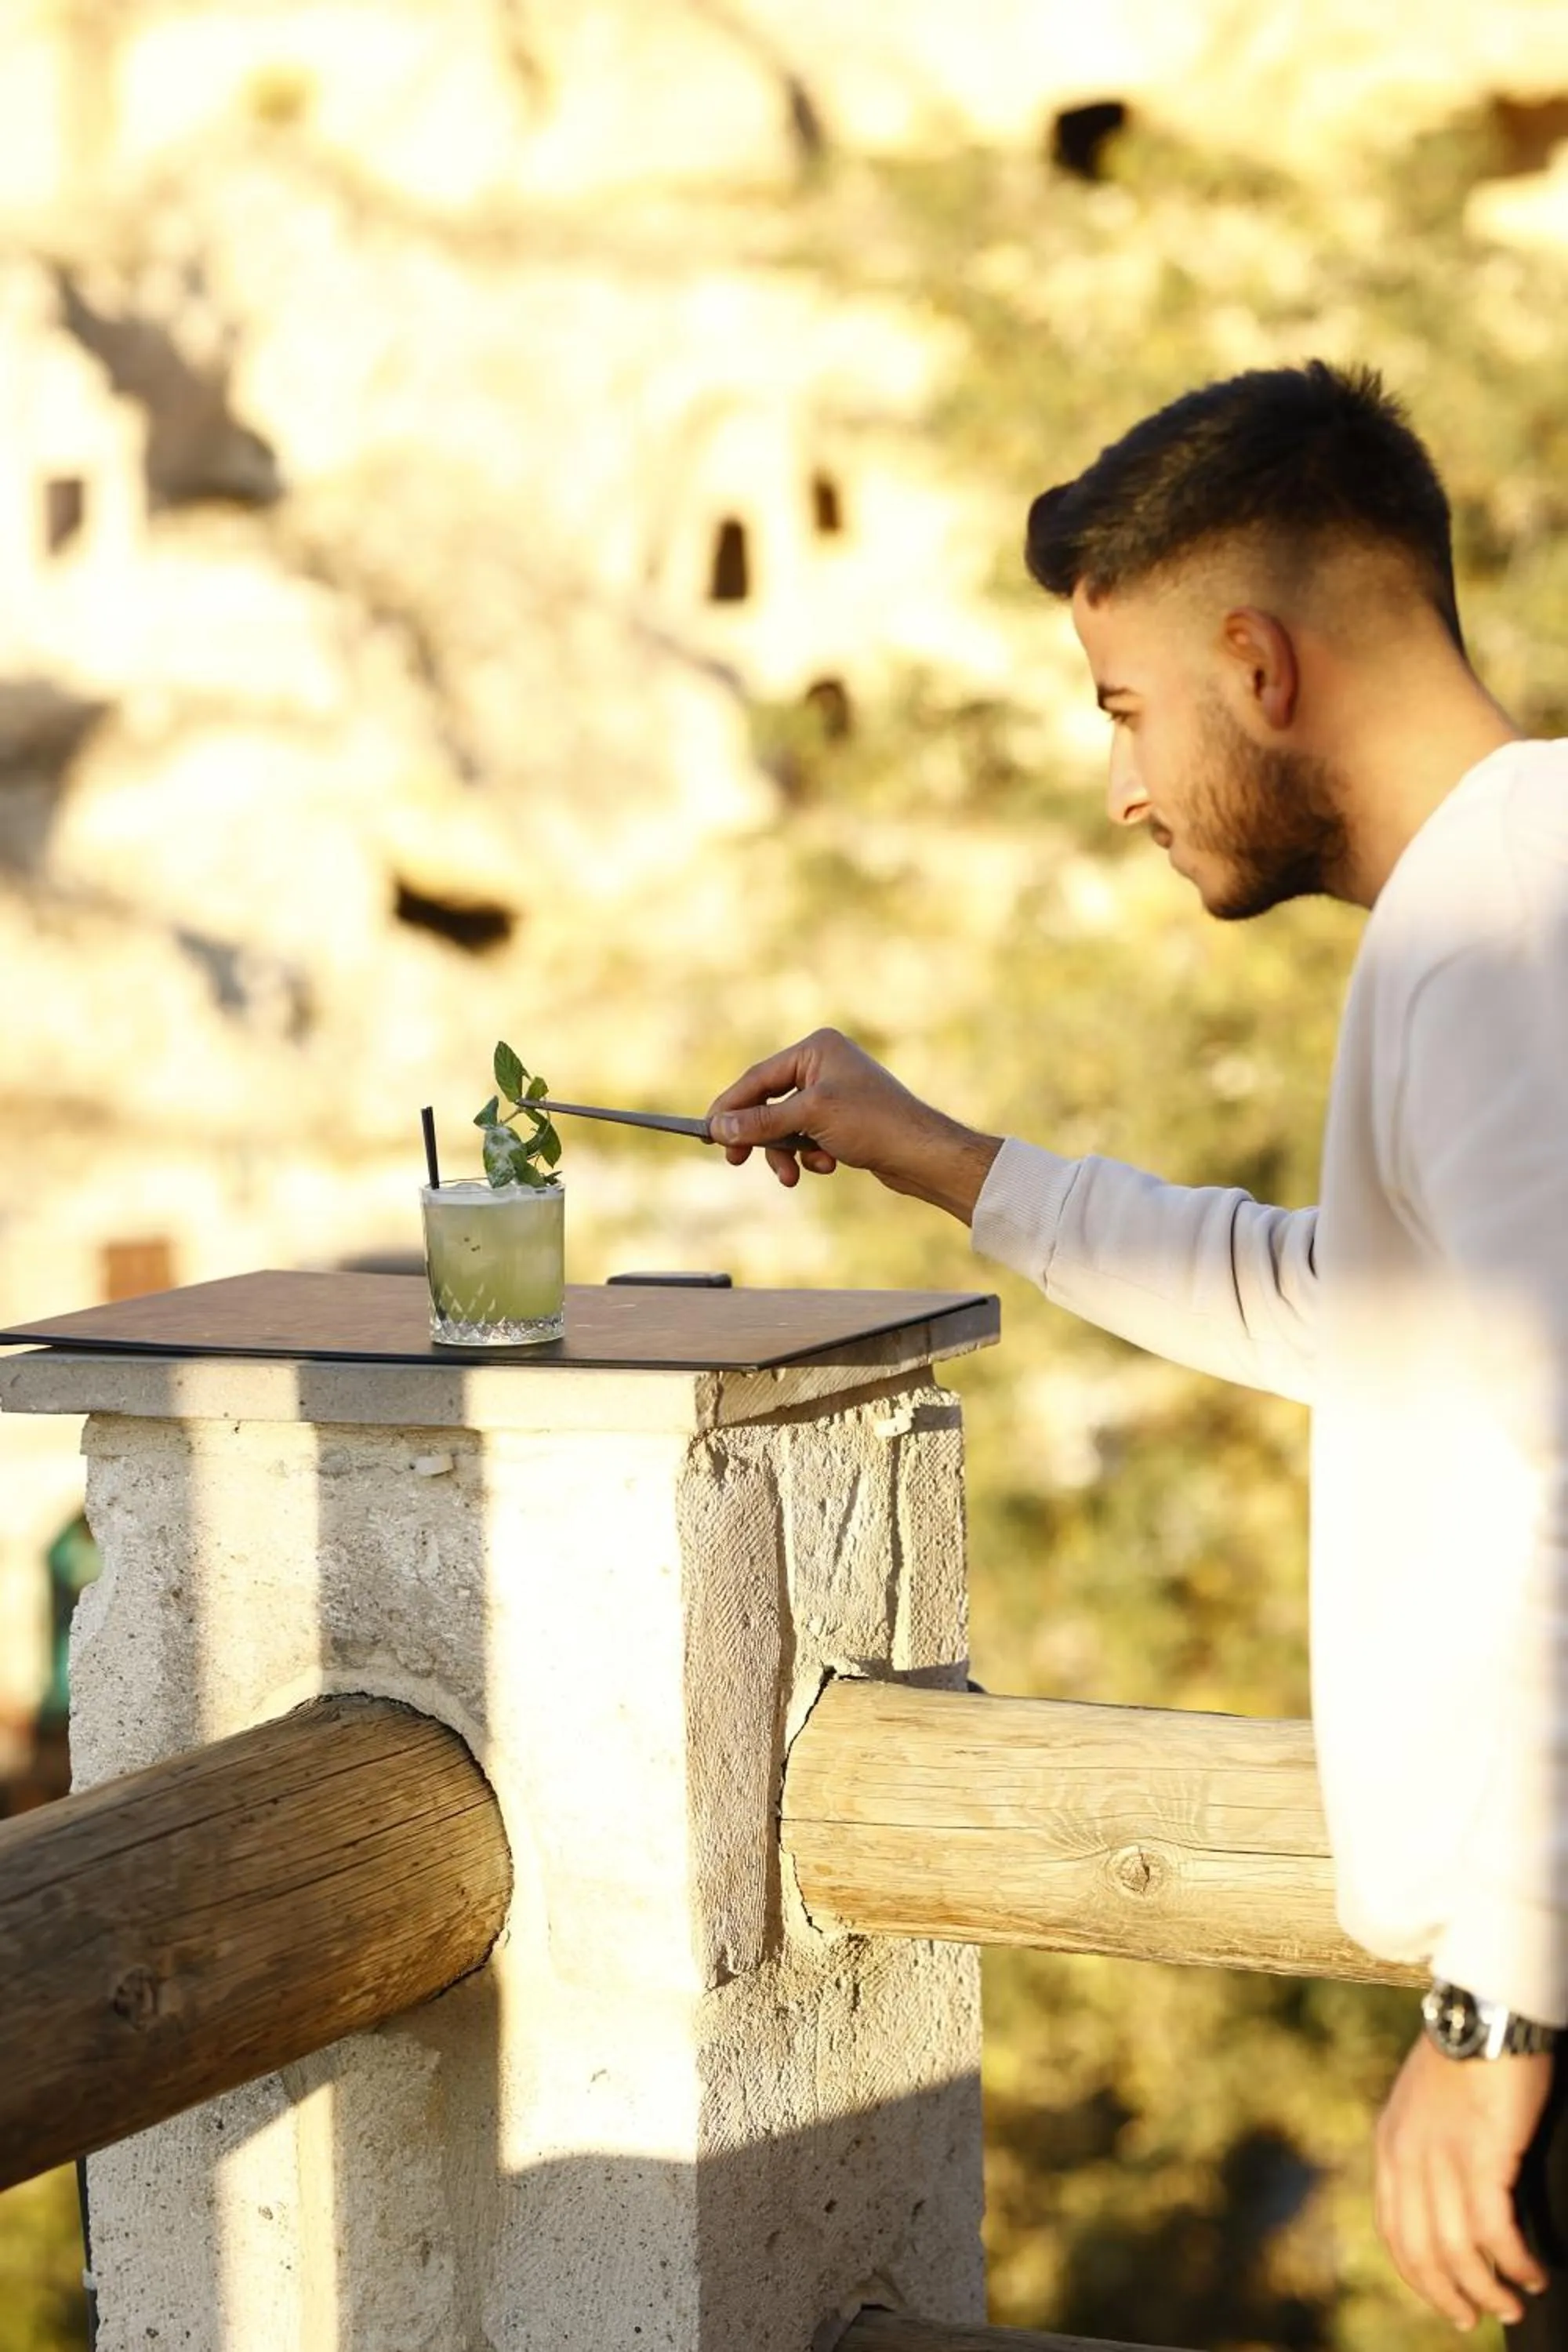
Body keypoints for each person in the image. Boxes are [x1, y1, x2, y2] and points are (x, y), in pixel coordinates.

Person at [706, 361, 1568, 2342]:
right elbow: (1345, 1309)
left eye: (1122, 706)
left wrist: (1500, 1999)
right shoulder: (1501, 895)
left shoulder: (1491, 942)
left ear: (1257, 665)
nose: (1118, 784)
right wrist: (941, 1161)